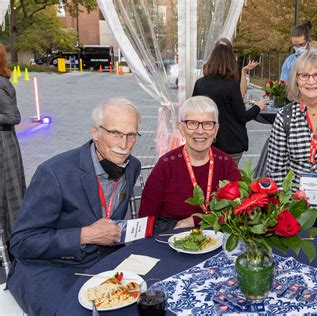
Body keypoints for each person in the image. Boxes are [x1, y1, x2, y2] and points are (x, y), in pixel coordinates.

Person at [6, 97, 142, 315]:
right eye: (115, 133)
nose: (124, 144)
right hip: (50, 266)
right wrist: (85, 235)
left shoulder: (132, 166)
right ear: (95, 133)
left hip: (102, 261)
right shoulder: (54, 173)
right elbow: (21, 243)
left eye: (131, 135)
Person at [267, 49, 317, 230]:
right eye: (304, 75)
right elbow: (276, 168)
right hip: (296, 210)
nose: (311, 81)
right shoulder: (285, 117)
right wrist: (287, 203)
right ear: (296, 79)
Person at [139, 96, 241, 231]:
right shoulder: (165, 165)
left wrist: (195, 219)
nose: (200, 131)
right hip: (171, 235)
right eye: (192, 123)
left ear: (216, 129)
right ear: (181, 129)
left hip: (217, 235)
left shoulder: (227, 165)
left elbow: (239, 209)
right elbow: (145, 219)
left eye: (208, 124)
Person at [192, 42, 266, 165]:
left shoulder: (200, 84)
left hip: (206, 142)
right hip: (231, 143)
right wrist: (258, 106)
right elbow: (242, 116)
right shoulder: (231, 86)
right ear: (230, 62)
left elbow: (194, 113)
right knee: (228, 182)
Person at [0, 44, 26, 247]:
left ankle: (13, 242)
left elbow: (13, 116)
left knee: (9, 196)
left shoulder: (1, 85)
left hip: (4, 147)